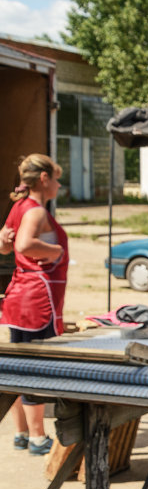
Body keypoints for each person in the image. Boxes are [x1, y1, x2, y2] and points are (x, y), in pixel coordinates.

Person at [0, 154, 68, 455]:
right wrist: (54, 250)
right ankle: (39, 437)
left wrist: (6, 240)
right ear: (43, 179)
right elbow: (24, 244)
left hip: (19, 296)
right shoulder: (36, 212)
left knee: (16, 366)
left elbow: (5, 244)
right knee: (33, 367)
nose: (58, 184)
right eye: (55, 178)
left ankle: (22, 433)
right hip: (35, 299)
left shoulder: (19, 207)